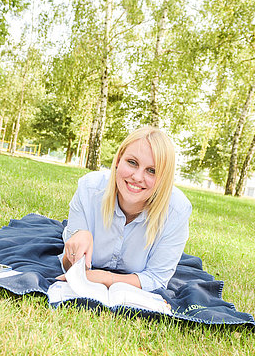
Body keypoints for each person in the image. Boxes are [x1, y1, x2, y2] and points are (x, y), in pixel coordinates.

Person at [59, 125, 191, 292]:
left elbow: (157, 278)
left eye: (151, 171)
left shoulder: (177, 210)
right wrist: (76, 247)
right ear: (119, 159)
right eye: (132, 162)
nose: (137, 177)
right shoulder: (89, 189)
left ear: (163, 178)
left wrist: (106, 278)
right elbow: (69, 267)